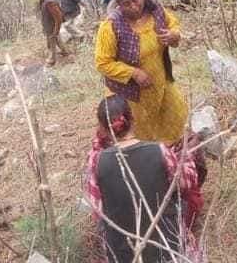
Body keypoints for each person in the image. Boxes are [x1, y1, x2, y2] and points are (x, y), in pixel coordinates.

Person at [84, 95, 202, 263]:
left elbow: (97, 211)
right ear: (132, 119)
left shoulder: (96, 160)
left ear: (102, 128)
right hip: (167, 247)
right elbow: (186, 182)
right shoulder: (159, 151)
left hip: (122, 253)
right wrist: (186, 155)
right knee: (188, 200)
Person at [94, 0, 188, 145]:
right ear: (118, 5)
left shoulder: (156, 11)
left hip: (160, 82)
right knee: (141, 134)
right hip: (131, 94)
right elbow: (102, 63)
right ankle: (149, 162)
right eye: (125, 4)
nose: (133, 6)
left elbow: (173, 24)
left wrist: (174, 35)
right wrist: (134, 73)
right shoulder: (111, 27)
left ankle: (172, 158)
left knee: (176, 117)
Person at [35, 0, 71, 66]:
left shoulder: (50, 2)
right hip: (49, 23)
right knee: (57, 39)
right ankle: (65, 51)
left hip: (51, 26)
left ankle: (52, 60)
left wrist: (56, 31)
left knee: (51, 43)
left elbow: (58, 18)